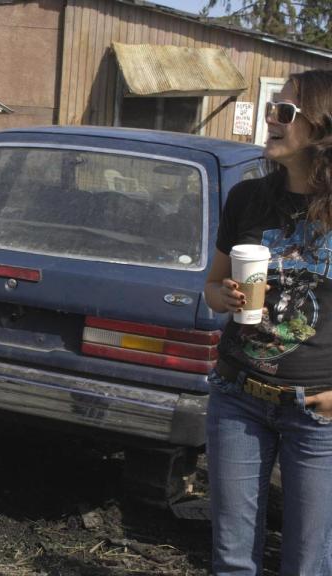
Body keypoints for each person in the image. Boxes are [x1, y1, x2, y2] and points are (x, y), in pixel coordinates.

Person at [203, 69, 332, 575]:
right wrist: (224, 295)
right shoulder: (248, 198)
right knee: (232, 559)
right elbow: (211, 288)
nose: (270, 120)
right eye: (270, 109)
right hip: (237, 396)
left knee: (308, 563)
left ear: (321, 126)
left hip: (317, 414)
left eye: (284, 111)